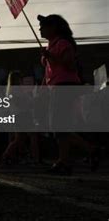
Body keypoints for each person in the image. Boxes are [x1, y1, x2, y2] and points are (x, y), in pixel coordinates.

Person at [38, 14, 100, 175]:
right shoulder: (51, 46)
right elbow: (49, 72)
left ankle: (65, 161)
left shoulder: (63, 44)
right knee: (59, 125)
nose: (40, 29)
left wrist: (50, 57)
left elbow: (70, 65)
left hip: (65, 85)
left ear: (53, 28)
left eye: (44, 26)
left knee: (59, 125)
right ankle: (87, 151)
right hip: (56, 87)